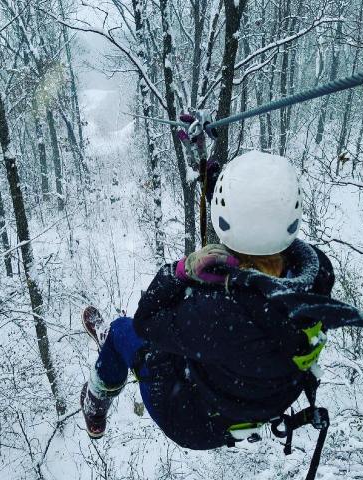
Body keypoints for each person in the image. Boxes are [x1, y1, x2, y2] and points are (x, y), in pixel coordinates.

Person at [80, 150, 335, 449]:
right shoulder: (317, 275)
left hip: (192, 418)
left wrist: (181, 270)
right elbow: (261, 227)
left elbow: (146, 321)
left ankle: (96, 402)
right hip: (252, 401)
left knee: (122, 331)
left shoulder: (217, 315)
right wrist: (214, 184)